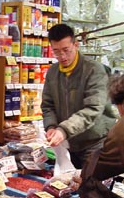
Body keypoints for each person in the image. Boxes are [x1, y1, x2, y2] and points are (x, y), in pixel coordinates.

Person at [41, 23, 116, 168]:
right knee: (67, 184)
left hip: (94, 143)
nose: (62, 56)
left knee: (90, 186)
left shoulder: (94, 70)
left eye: (66, 50)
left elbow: (93, 108)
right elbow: (48, 105)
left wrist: (64, 130)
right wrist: (51, 126)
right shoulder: (53, 72)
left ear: (76, 45)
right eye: (56, 52)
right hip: (68, 144)